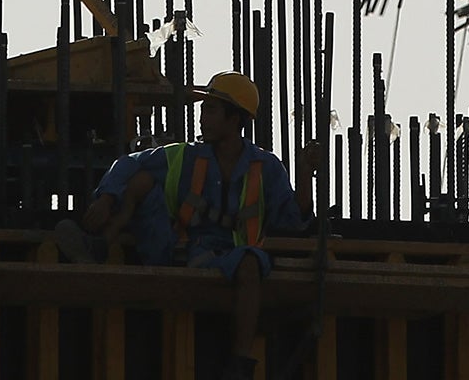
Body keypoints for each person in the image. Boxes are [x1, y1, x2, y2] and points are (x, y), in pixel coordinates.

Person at [53, 72, 312, 380]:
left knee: (250, 265)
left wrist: (307, 172)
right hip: (180, 251)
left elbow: (292, 222)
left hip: (234, 256)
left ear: (235, 119)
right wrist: (107, 199)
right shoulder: (187, 156)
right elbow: (129, 164)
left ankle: (241, 363)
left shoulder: (265, 168)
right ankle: (99, 246)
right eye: (204, 109)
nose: (202, 118)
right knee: (141, 179)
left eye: (211, 110)